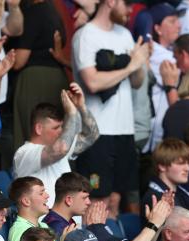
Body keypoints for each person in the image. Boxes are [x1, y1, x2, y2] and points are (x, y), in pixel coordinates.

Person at [71, 0, 147, 211]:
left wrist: (139, 64)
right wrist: (131, 65)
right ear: (111, 2)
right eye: (128, 4)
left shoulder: (125, 34)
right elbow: (92, 82)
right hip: (97, 131)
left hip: (124, 129)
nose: (131, 10)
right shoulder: (86, 34)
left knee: (116, 200)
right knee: (96, 200)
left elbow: (137, 82)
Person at [12, 86, 100, 205]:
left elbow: (92, 135)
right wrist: (72, 113)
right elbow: (61, 149)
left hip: (69, 223)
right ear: (38, 128)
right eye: (55, 128)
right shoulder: (24, 153)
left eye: (61, 127)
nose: (61, 132)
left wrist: (81, 106)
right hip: (41, 224)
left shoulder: (60, 148)